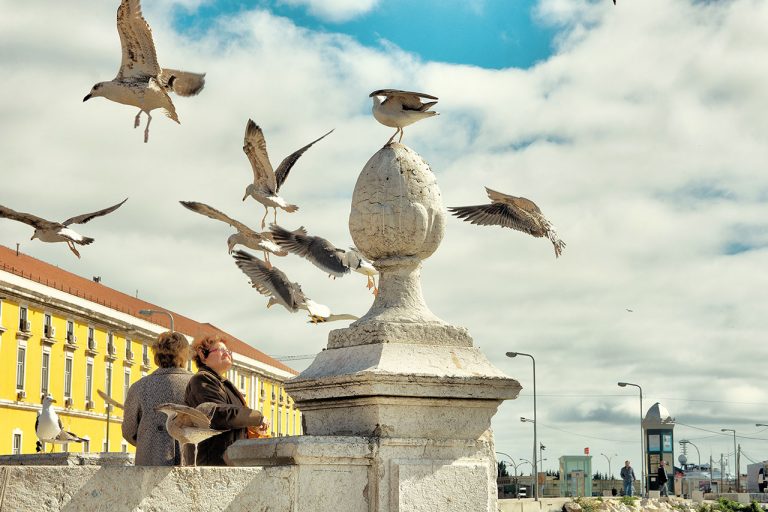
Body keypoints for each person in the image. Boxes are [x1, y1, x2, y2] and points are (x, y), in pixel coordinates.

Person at [185, 335, 269, 466]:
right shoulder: (202, 380)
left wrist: (251, 425)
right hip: (212, 462)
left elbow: (234, 418)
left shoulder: (221, 383)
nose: (227, 353)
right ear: (202, 354)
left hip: (226, 460)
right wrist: (256, 417)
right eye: (220, 350)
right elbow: (217, 414)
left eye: (228, 351)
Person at [122, 331, 194, 465]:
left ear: (156, 354)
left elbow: (128, 431)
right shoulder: (197, 384)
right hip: (188, 463)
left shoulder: (139, 387)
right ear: (185, 354)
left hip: (149, 462)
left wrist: (149, 442)